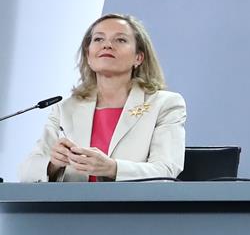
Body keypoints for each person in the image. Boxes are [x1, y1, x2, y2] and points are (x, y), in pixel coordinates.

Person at [19, 14, 186, 182]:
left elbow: (166, 170)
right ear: (89, 55)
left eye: (120, 40)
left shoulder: (165, 104)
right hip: (71, 206)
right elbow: (27, 173)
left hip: (131, 207)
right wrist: (53, 164)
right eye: (98, 39)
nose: (107, 45)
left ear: (138, 57)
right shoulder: (65, 109)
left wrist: (113, 168)